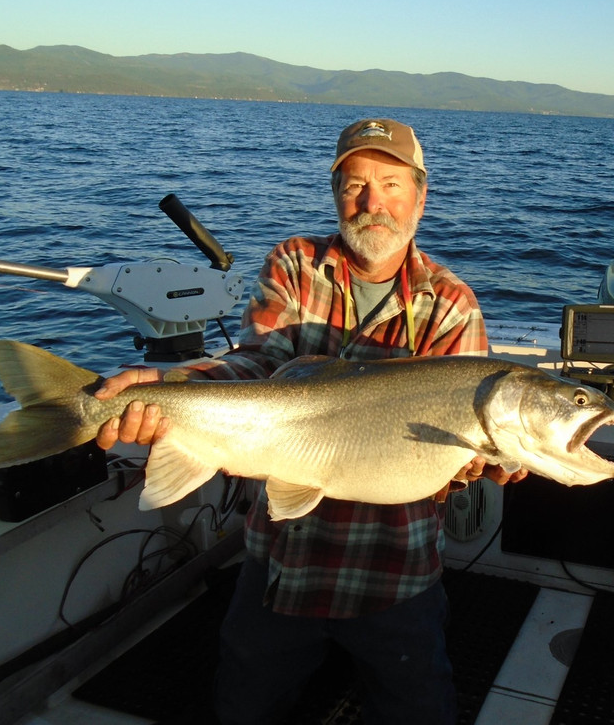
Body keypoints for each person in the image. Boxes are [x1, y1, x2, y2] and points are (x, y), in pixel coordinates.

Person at [94, 118, 527, 725]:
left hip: (393, 573)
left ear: (420, 196)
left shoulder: (452, 303)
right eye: (354, 185)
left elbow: (450, 466)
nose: (372, 203)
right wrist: (169, 389)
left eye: (391, 183)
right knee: (243, 709)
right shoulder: (295, 264)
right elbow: (256, 365)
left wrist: (479, 465)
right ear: (335, 194)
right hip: (282, 561)